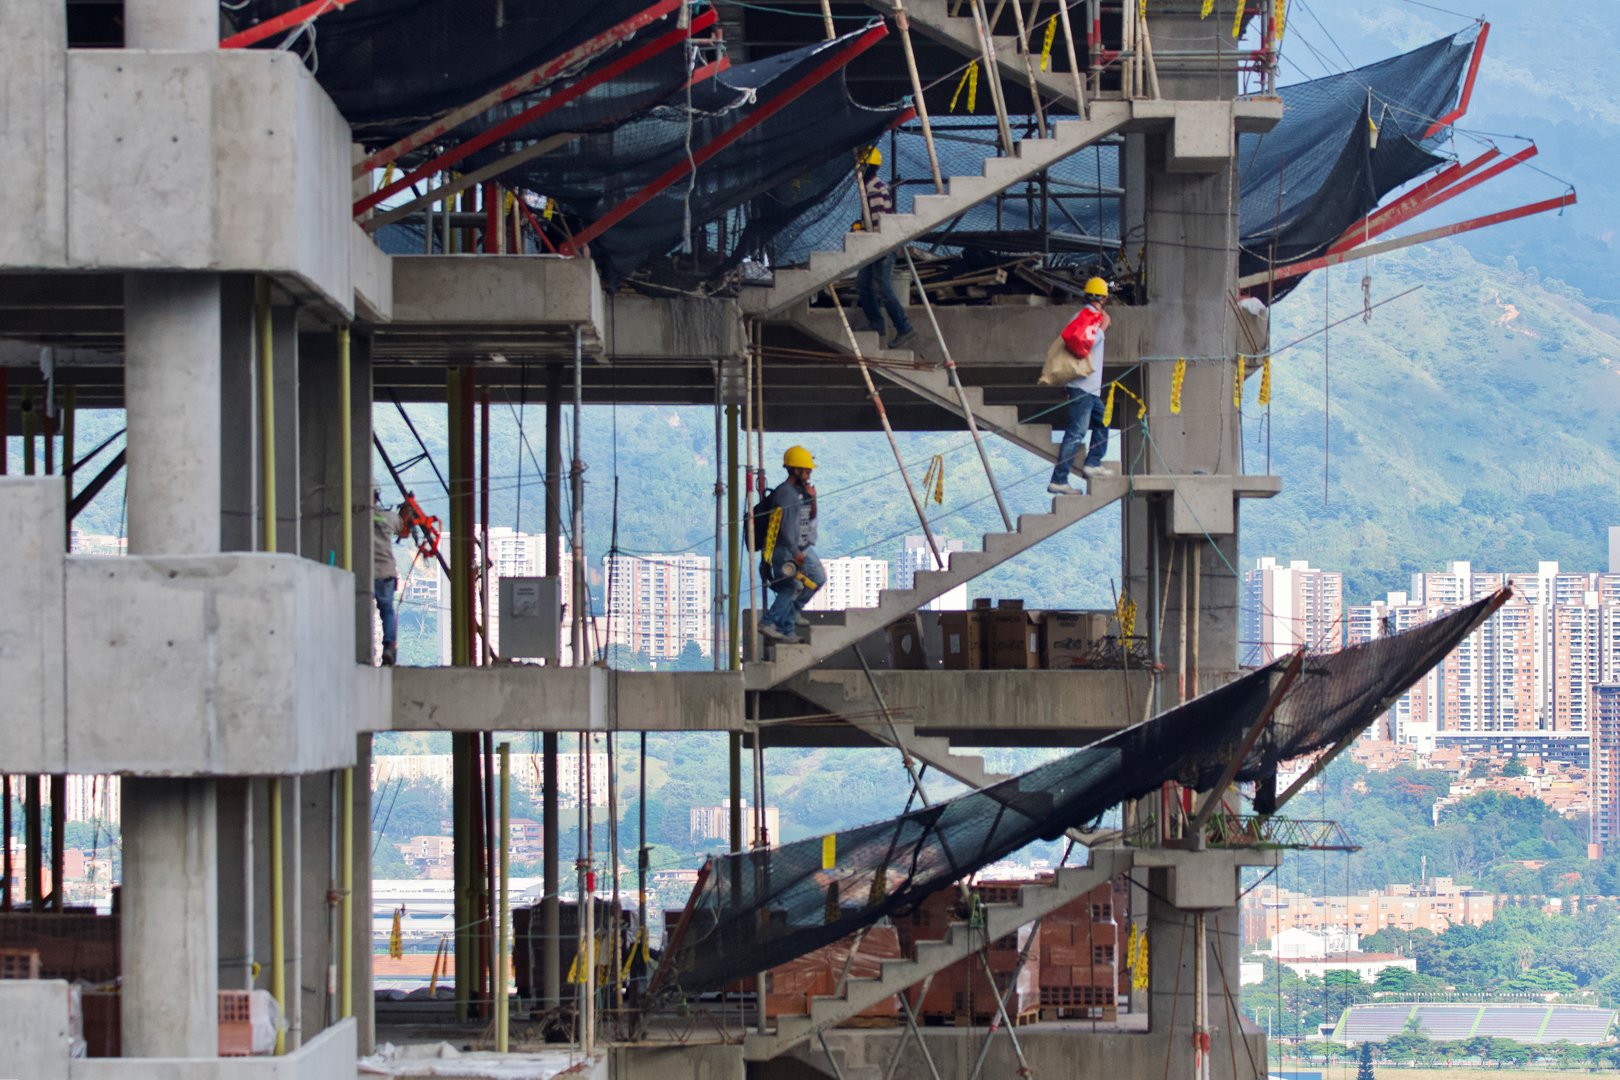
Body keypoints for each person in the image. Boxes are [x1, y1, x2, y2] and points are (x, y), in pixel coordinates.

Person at [1048, 276, 1114, 494]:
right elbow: (1085, 345)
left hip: (1089, 388)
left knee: (1102, 422)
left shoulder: (1083, 316)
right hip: (1084, 386)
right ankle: (1059, 479)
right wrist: (1103, 328)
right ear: (1104, 297)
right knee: (1076, 433)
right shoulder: (1089, 317)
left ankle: (1093, 463)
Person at [759, 446, 826, 645]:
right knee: (792, 585)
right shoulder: (787, 493)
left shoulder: (799, 492)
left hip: (801, 546)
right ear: (795, 471)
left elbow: (809, 517)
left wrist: (812, 498)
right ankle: (772, 622)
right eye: (806, 471)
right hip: (788, 549)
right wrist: (795, 552)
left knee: (816, 579)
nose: (809, 474)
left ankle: (789, 622)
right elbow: (787, 528)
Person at [854, 148, 917, 350]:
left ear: (867, 166)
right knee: (863, 283)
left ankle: (904, 327)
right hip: (874, 243)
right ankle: (876, 323)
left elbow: (880, 219)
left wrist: (865, 232)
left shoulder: (875, 187)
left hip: (883, 243)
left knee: (883, 287)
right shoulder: (868, 187)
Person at [372, 488, 409, 666]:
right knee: (386, 610)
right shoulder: (389, 518)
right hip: (386, 571)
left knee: (360, 608)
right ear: (377, 497)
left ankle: (363, 649)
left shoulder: (357, 517)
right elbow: (404, 529)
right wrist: (406, 511)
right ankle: (388, 648)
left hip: (366, 573)